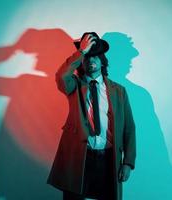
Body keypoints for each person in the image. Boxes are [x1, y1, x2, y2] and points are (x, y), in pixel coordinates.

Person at [47, 32, 136, 200]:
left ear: (102, 59)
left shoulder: (119, 91)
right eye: (87, 56)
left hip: (109, 160)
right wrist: (81, 51)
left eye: (95, 55)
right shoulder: (74, 86)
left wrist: (128, 163)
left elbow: (129, 128)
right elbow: (61, 76)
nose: (91, 59)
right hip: (79, 158)